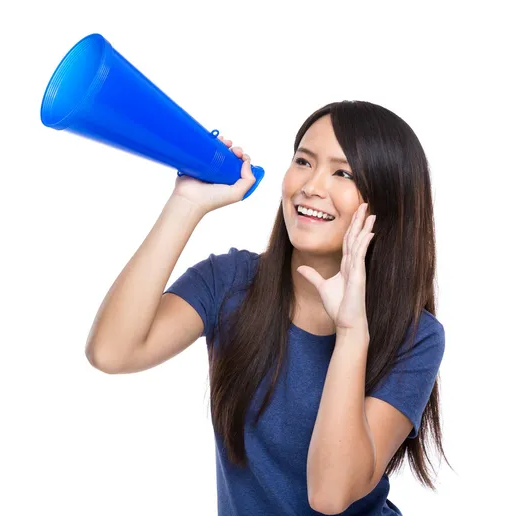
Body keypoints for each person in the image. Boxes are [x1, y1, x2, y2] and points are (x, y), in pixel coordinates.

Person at [85, 100, 448, 515]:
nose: (311, 185)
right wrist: (186, 203)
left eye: (342, 172)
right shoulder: (230, 282)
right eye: (303, 161)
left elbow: (329, 495)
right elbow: (111, 352)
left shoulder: (415, 335)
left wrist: (351, 333)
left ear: (388, 204)